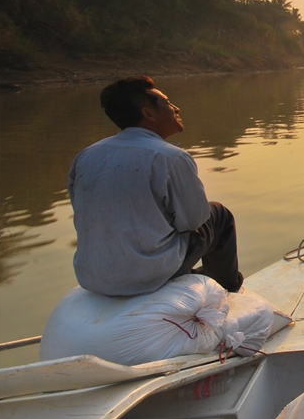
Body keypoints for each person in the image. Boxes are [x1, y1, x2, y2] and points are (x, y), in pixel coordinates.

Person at [68, 76, 243, 297]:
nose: (176, 108)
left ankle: (192, 274)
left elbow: (84, 210)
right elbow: (195, 220)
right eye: (168, 103)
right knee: (219, 215)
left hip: (92, 276)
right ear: (148, 113)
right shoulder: (170, 157)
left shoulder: (86, 156)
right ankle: (228, 287)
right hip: (147, 275)